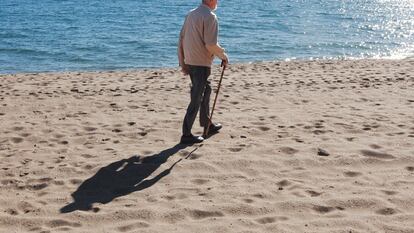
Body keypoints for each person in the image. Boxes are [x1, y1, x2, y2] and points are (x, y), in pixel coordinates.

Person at [178, 0, 229, 144]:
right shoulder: (210, 16)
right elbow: (211, 44)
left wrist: (183, 62)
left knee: (206, 90)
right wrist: (223, 56)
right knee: (196, 97)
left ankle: (207, 124)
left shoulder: (191, 14)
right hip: (200, 63)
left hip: (191, 60)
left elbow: (181, 39)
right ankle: (186, 134)